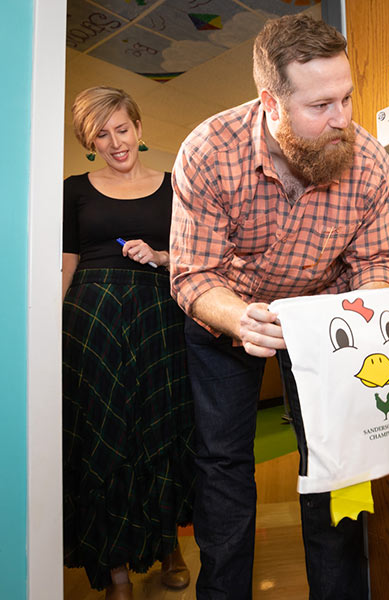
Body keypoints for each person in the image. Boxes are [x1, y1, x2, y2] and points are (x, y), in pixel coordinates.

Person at [169, 13, 389, 600]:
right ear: (272, 101)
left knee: (334, 457)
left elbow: (373, 266)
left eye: (346, 97)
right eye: (321, 106)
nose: (342, 119)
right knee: (223, 464)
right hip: (227, 317)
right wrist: (238, 317)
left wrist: (388, 312)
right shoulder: (208, 151)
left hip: (321, 319)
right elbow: (194, 277)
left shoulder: (368, 162)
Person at [63, 86, 195, 600]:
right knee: (103, 438)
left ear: (138, 129)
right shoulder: (73, 189)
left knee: (161, 431)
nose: (115, 141)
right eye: (101, 133)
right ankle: (115, 570)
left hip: (158, 317)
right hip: (91, 322)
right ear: (87, 140)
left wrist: (160, 256)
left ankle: (169, 548)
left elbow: (193, 256)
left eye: (122, 128)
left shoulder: (174, 186)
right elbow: (66, 263)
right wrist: (45, 327)